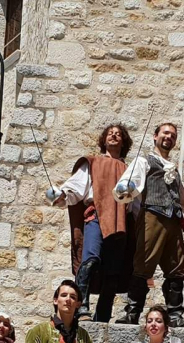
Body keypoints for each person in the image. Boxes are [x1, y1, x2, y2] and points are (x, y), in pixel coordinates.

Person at [50, 124, 135, 322]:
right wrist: (63, 194)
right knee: (90, 260)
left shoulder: (129, 170)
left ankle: (103, 315)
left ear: (124, 142)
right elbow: (76, 187)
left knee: (113, 271)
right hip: (95, 217)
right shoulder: (93, 162)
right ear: (104, 139)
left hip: (120, 221)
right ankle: (82, 308)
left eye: (118, 134)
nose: (114, 136)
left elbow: (136, 202)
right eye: (110, 133)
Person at [113, 122, 184, 328]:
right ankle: (132, 313)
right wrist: (126, 189)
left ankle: (175, 315)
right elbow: (129, 184)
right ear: (155, 136)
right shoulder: (144, 161)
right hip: (152, 216)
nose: (169, 137)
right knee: (143, 263)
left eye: (173, 135)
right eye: (165, 133)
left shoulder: (173, 169)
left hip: (174, 220)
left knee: (176, 269)